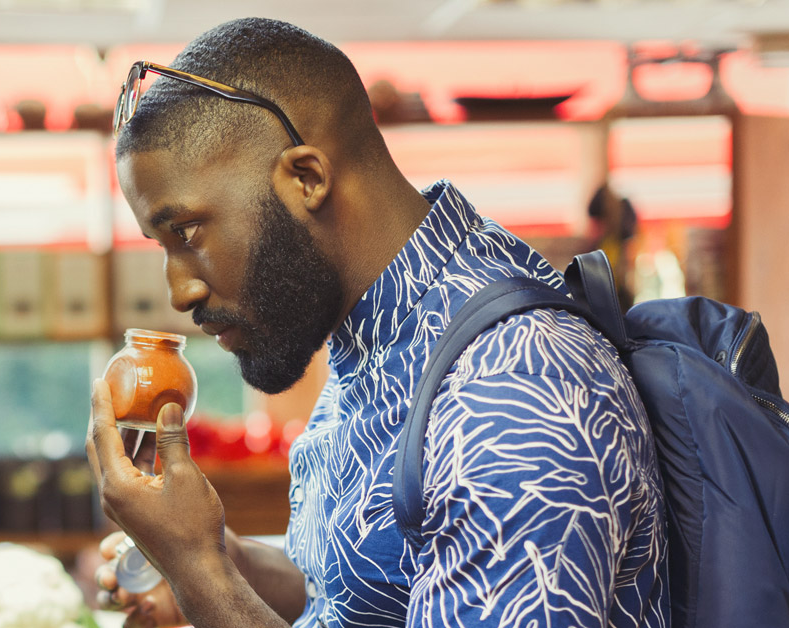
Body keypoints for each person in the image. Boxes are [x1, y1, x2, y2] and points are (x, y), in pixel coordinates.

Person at [89, 18, 668, 628]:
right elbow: (364, 598)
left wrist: (196, 571)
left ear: (306, 178)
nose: (180, 292)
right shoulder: (381, 335)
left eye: (185, 233)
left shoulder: (513, 391)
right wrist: (228, 561)